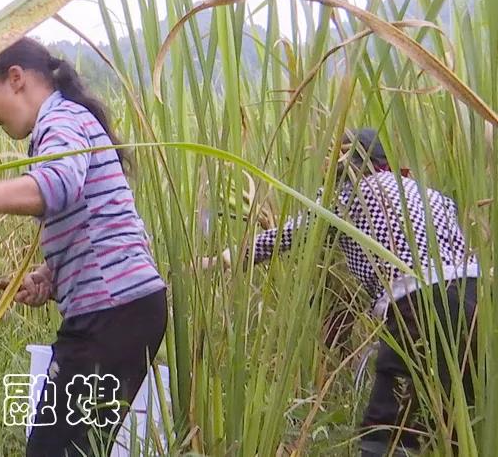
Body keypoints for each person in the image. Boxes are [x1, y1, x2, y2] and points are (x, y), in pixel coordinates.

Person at [0, 37, 167, 456]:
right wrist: (53, 277)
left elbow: (54, 188)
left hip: (112, 314)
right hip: (121, 311)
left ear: (16, 79)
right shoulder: (66, 123)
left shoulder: (61, 121)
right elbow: (104, 228)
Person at [203, 128, 480, 456]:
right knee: (455, 417)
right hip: (476, 298)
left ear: (347, 163)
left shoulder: (353, 192)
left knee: (386, 430)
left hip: (419, 303)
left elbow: (290, 235)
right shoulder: (427, 192)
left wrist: (219, 260)